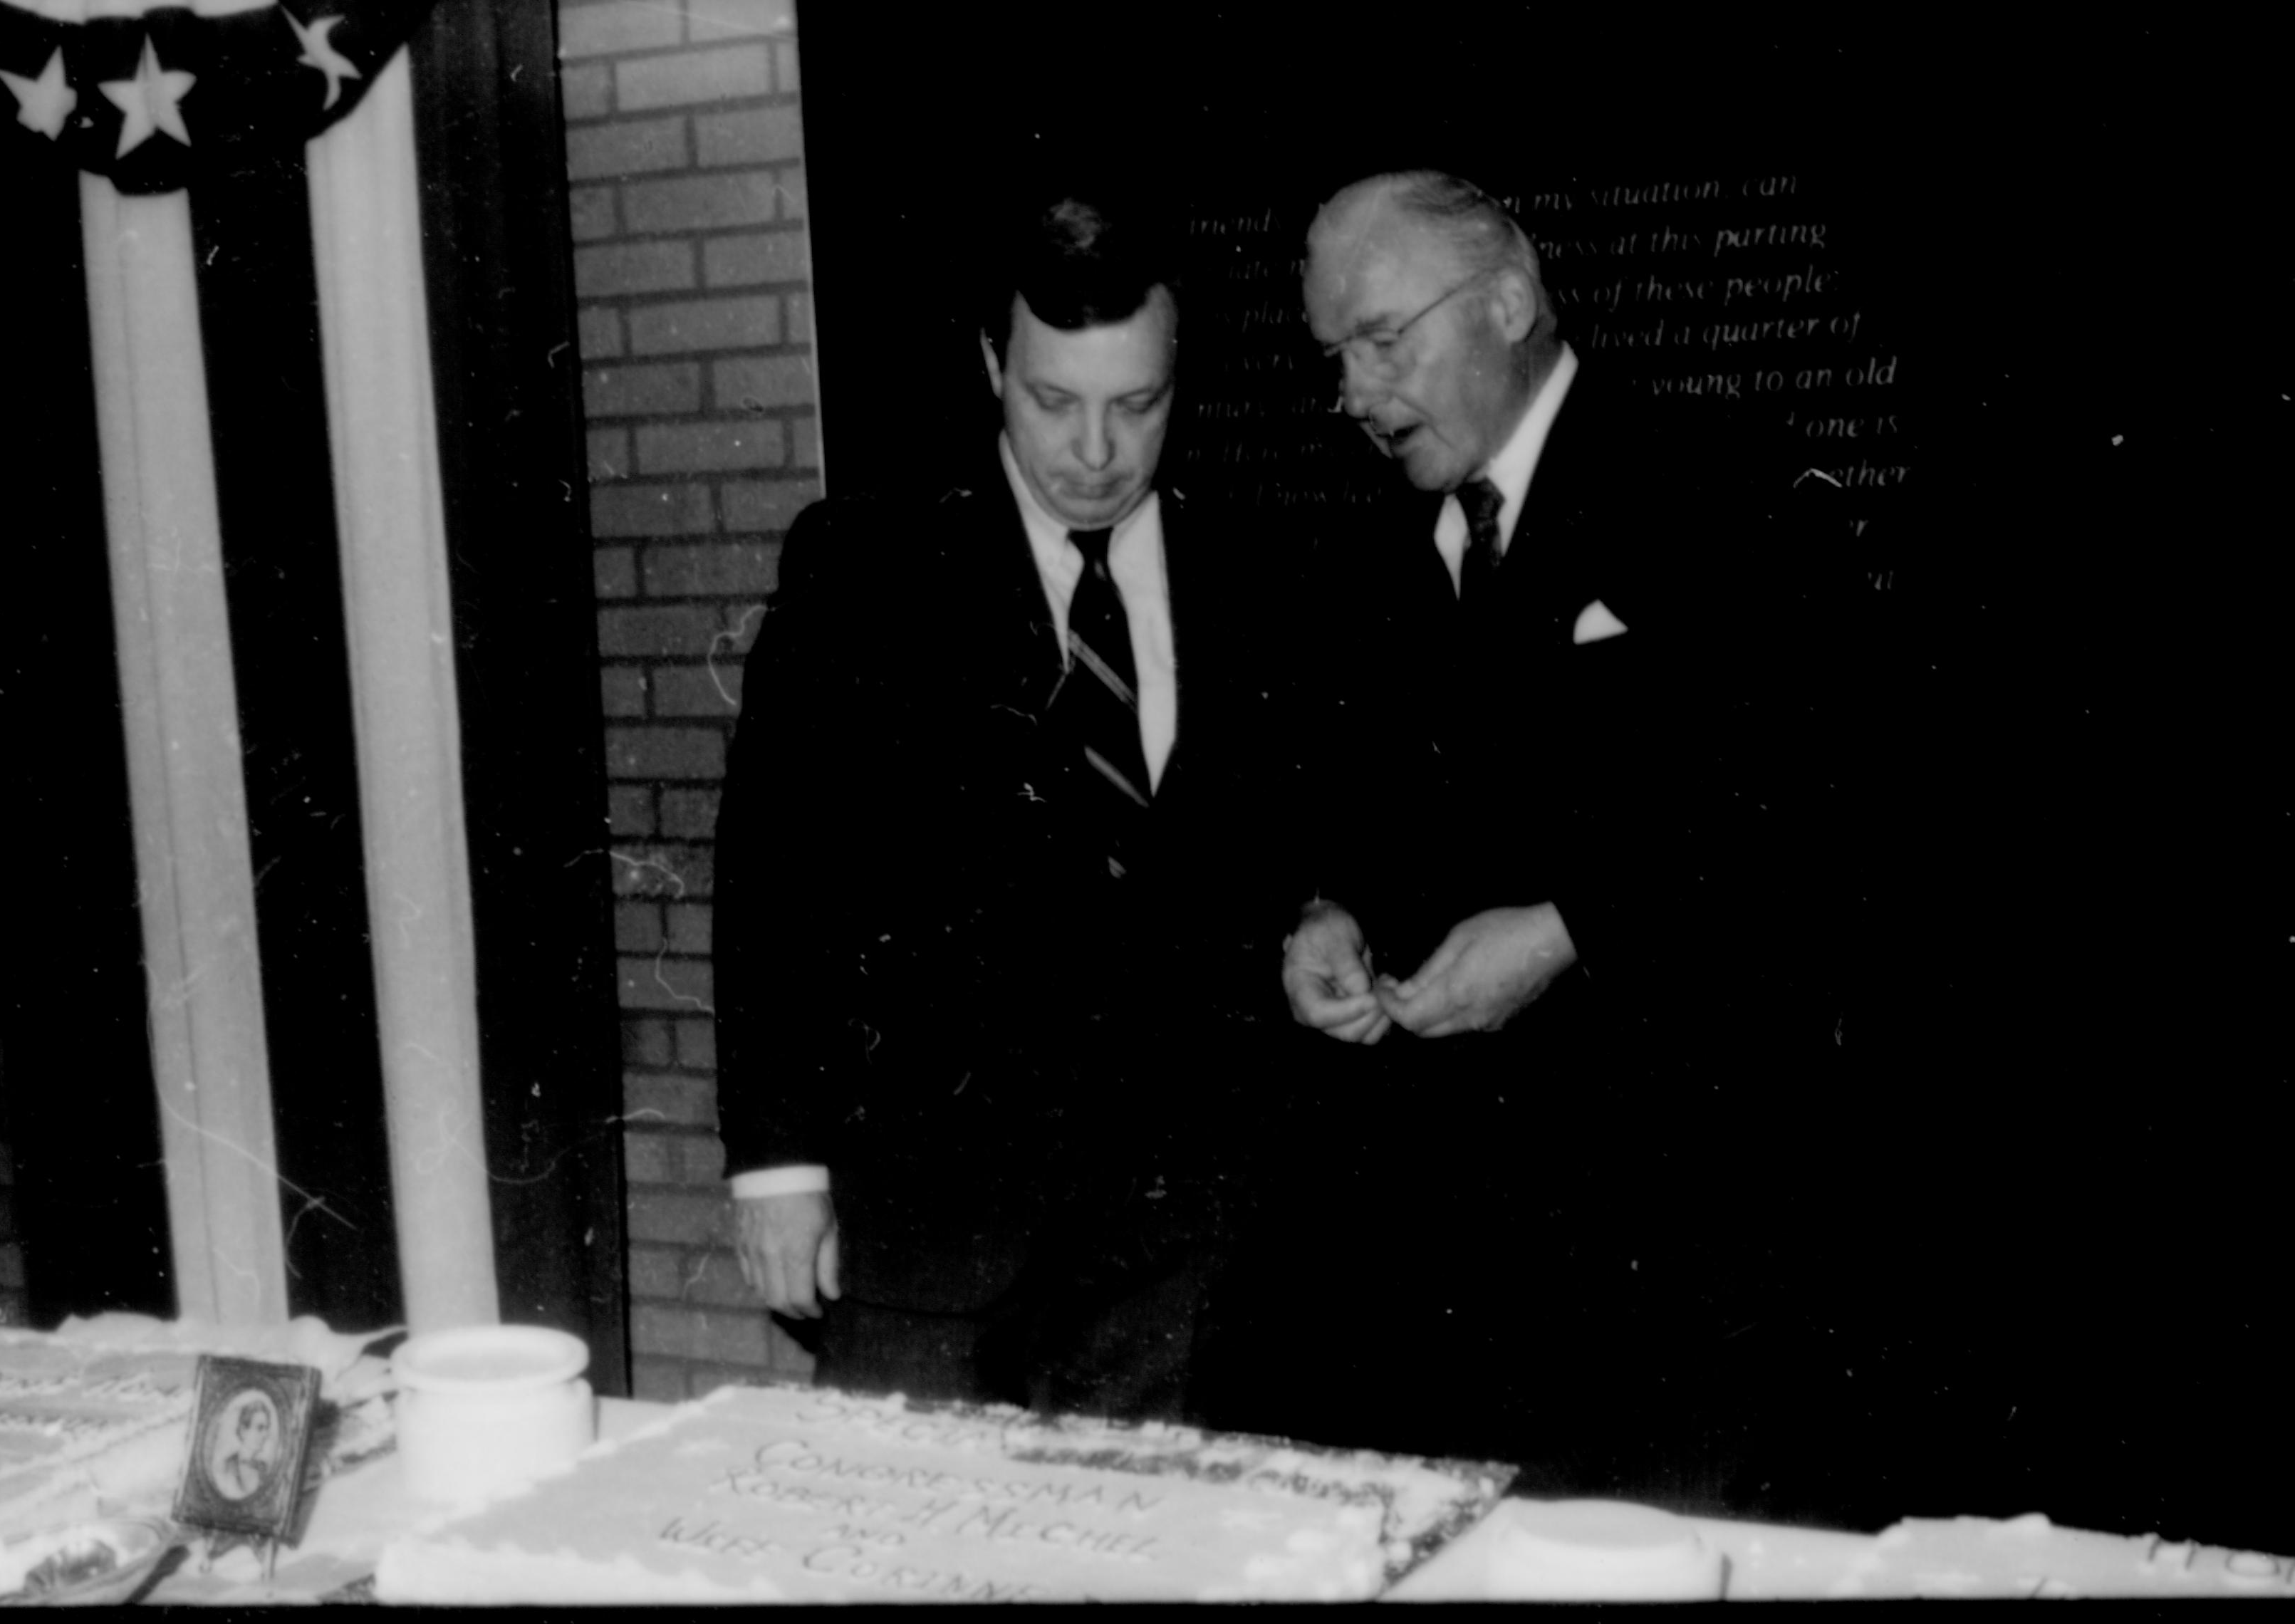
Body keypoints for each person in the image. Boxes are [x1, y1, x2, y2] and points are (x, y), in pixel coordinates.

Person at [1213, 169, 1826, 1492]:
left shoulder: (1720, 485)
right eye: (1334, 357)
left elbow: (1806, 807)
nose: (1354, 395)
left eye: (1383, 341)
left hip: (1663, 1260)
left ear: (1507, 298)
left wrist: (1570, 929)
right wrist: (1323, 913)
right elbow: (1328, 805)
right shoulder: (1366, 552)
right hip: (1434, 1279)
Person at [712, 190, 1295, 1425]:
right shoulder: (864, 566)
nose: (1096, 450)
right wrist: (778, 1164)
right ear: (992, 364)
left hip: (1180, 1243)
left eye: (1137, 405)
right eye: (1053, 401)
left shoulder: (1258, 575)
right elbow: (775, 878)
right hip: (933, 1234)